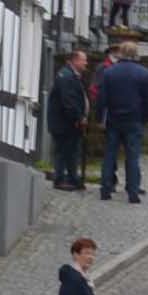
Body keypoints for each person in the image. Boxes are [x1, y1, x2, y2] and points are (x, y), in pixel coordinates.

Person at [94, 45, 148, 203]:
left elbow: (102, 99)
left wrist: (100, 117)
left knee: (109, 156)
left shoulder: (109, 72)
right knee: (132, 157)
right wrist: (145, 118)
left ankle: (105, 190)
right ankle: (133, 192)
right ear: (135, 54)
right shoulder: (144, 73)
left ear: (120, 53)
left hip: (114, 119)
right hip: (134, 120)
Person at [44, 48, 90, 193]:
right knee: (63, 151)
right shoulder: (67, 77)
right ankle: (60, 179)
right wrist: (78, 117)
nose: (86, 63)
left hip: (69, 123)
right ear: (75, 60)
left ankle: (72, 177)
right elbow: (68, 101)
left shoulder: (72, 76)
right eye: (84, 60)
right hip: (65, 123)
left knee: (71, 151)